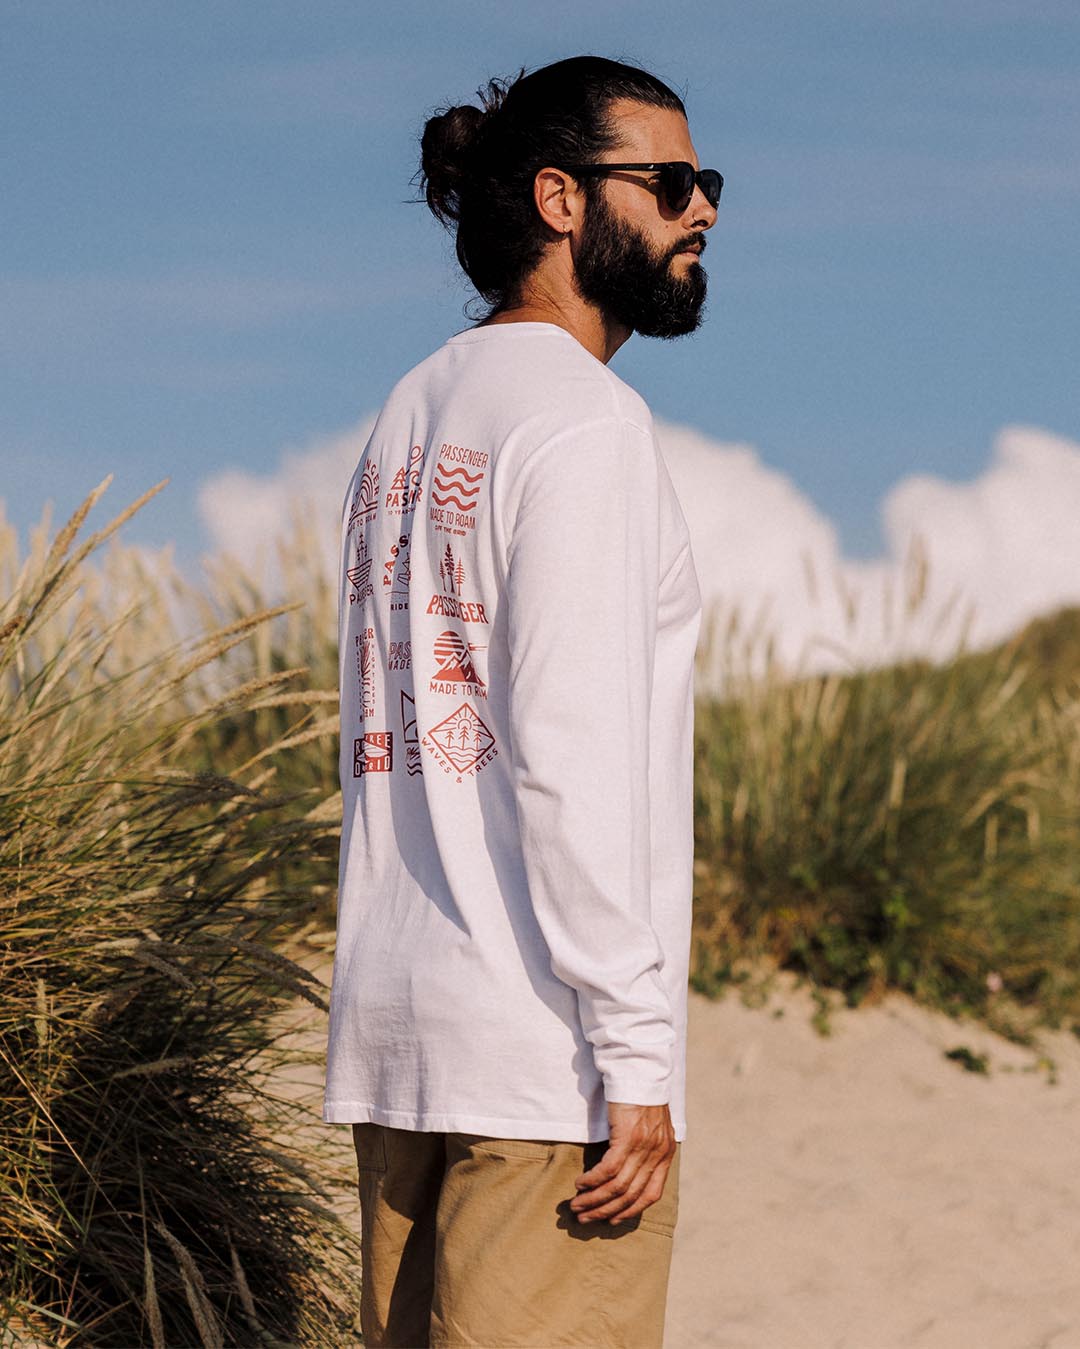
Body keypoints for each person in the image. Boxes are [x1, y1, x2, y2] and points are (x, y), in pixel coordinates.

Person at [324, 53, 720, 1349]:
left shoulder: (411, 414)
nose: (703, 210)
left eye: (705, 182)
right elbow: (570, 755)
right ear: (561, 198)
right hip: (545, 1061)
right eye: (670, 182)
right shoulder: (585, 423)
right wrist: (636, 1055)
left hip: (405, 1042)